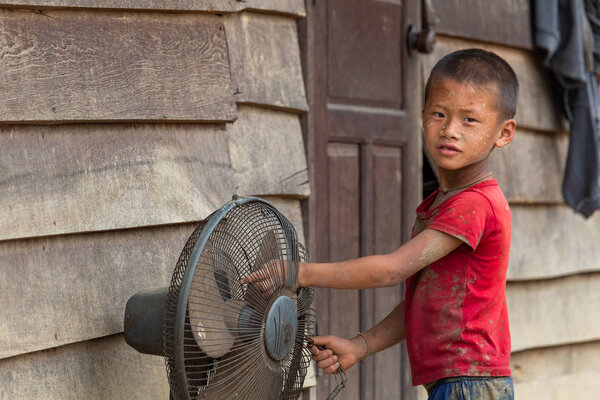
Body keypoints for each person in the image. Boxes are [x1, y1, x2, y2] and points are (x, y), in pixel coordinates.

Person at [244, 48, 518, 399]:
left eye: (469, 120)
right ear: (422, 117)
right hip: (461, 380)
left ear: (504, 133)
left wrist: (299, 273)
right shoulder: (445, 203)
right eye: (439, 114)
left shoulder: (475, 205)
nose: (450, 130)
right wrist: (360, 345)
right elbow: (426, 301)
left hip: (470, 383)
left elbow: (391, 270)